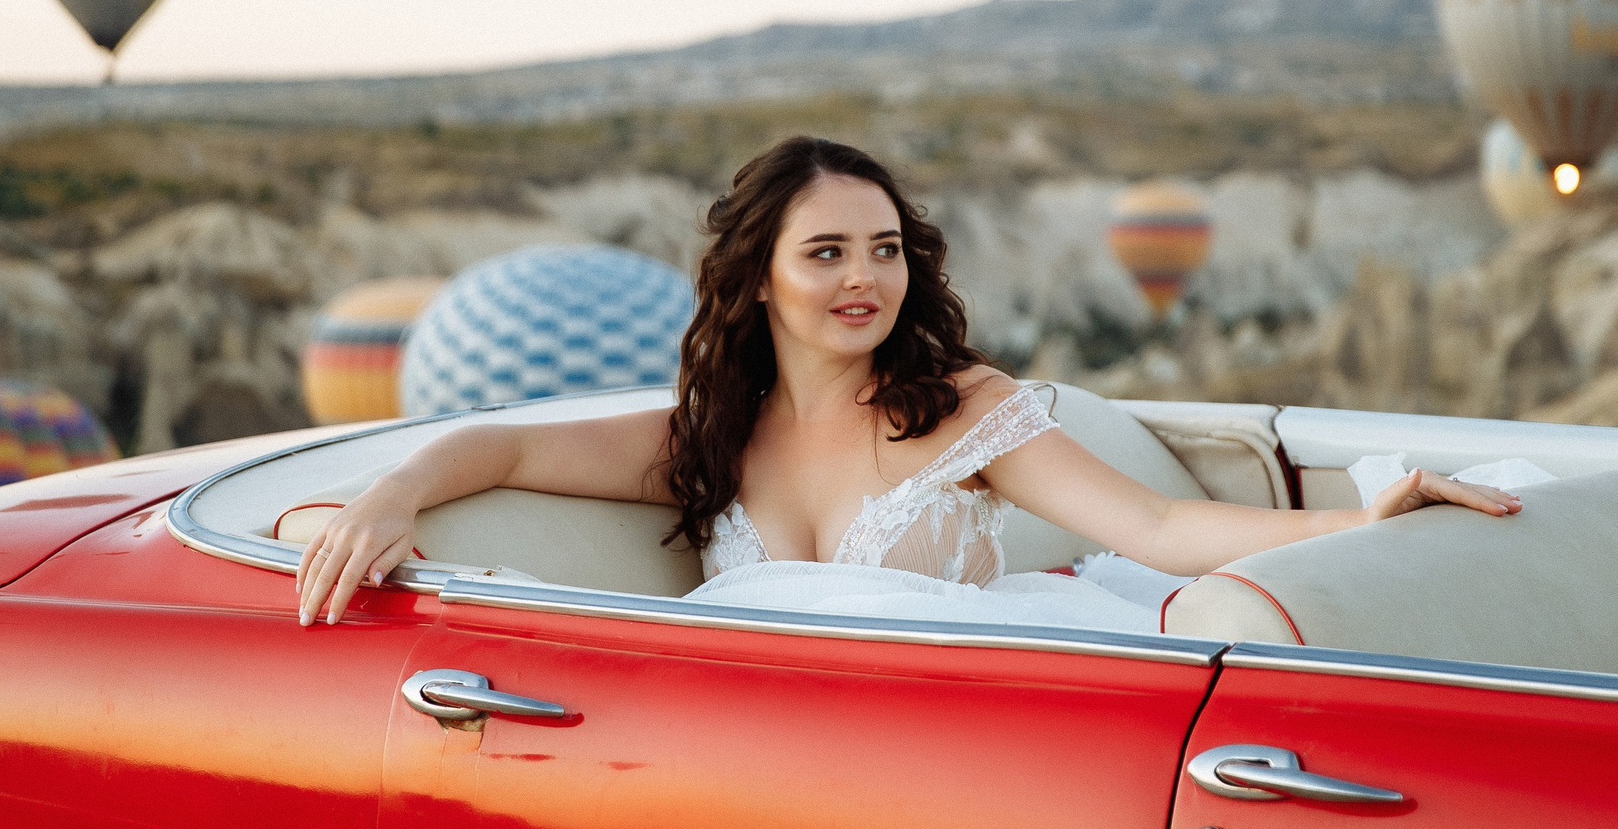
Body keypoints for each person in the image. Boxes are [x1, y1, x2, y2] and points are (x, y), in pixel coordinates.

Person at [295, 136, 1519, 627]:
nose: (862, 279)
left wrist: (1358, 522)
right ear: (757, 278)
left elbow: (1155, 524)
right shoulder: (704, 441)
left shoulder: (962, 410)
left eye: (882, 249)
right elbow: (498, 450)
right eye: (824, 253)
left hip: (981, 729)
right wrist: (390, 497)